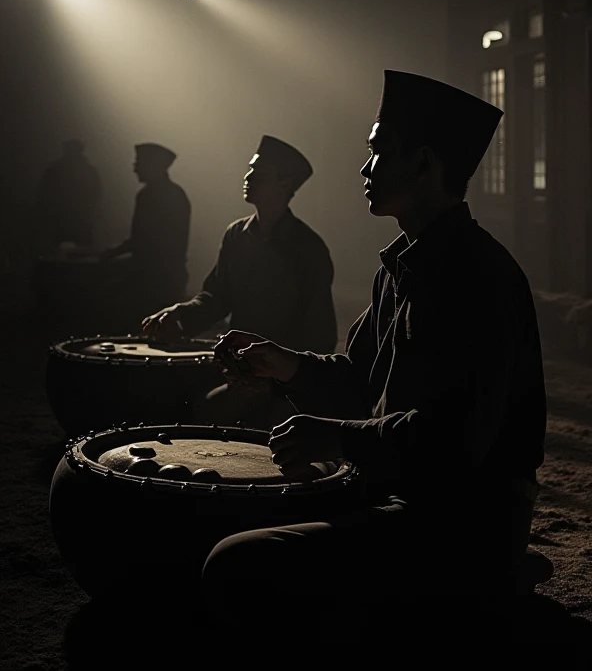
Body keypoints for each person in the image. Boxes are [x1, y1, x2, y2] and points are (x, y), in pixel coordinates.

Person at [202, 71, 547, 633]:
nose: (364, 169)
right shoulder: (402, 270)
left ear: (423, 163)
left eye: (377, 151)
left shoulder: (477, 277)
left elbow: (454, 443)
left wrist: (335, 436)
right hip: (397, 490)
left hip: (459, 521)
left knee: (235, 563)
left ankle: (485, 586)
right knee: (230, 511)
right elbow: (362, 380)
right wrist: (283, 362)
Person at [142, 135, 337, 426]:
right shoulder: (236, 235)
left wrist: (283, 380)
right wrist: (180, 314)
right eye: (249, 168)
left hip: (279, 382)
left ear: (285, 184)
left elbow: (320, 337)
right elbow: (216, 297)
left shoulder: (308, 249)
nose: (247, 177)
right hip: (237, 367)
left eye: (258, 172)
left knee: (204, 413)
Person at [102, 143, 190, 323]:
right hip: (167, 276)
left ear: (152, 166)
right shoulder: (174, 193)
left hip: (153, 279)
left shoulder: (151, 195)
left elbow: (145, 240)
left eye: (138, 162)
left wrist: (111, 254)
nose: (134, 168)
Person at [35, 139, 101, 252]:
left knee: (59, 255)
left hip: (62, 221)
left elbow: (43, 195)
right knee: (83, 253)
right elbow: (97, 193)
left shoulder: (54, 170)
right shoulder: (89, 171)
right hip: (78, 220)